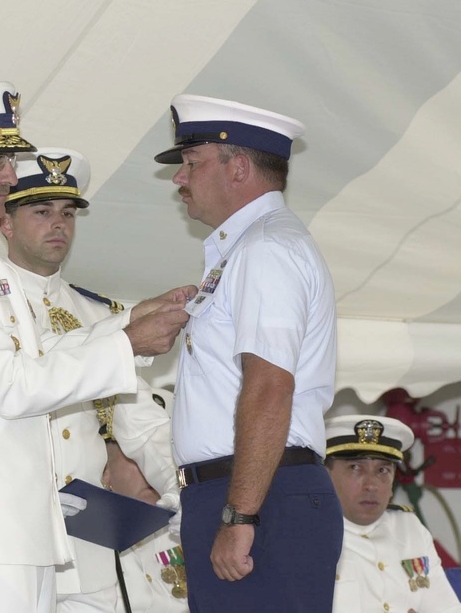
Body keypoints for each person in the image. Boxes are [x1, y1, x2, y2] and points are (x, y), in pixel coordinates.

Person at [0, 82, 190, 613]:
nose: (8, 173)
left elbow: (39, 354)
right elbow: (13, 386)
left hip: (19, 530)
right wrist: (125, 343)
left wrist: (125, 327)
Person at [158, 94, 342, 612]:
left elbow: (269, 386)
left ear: (237, 167)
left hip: (261, 497)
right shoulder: (248, 248)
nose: (179, 178)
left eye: (191, 163)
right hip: (250, 492)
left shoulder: (266, 249)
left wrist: (239, 517)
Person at [0, 148, 179, 612]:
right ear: (5, 222)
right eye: (41, 211)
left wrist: (183, 497)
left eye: (67, 213)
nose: (58, 224)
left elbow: (141, 426)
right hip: (10, 545)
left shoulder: (102, 316)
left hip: (89, 552)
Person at [325, 414, 461, 613]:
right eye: (356, 468)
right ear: (325, 476)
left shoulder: (410, 528)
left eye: (383, 470)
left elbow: (447, 608)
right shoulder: (304, 535)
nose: (371, 485)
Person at [102, 388, 188, 613]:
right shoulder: (94, 547)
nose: (149, 470)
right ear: (105, 471)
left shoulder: (184, 530)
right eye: (134, 456)